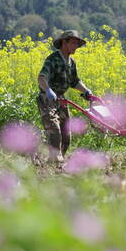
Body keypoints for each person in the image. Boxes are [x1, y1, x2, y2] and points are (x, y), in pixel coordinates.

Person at [37, 30, 93, 163]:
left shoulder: (71, 62)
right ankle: (54, 162)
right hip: (48, 99)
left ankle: (56, 159)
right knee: (54, 131)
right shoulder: (53, 59)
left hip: (61, 100)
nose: (76, 47)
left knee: (66, 135)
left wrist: (86, 91)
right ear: (64, 42)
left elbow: (74, 81)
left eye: (77, 44)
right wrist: (49, 90)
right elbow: (41, 77)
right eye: (73, 43)